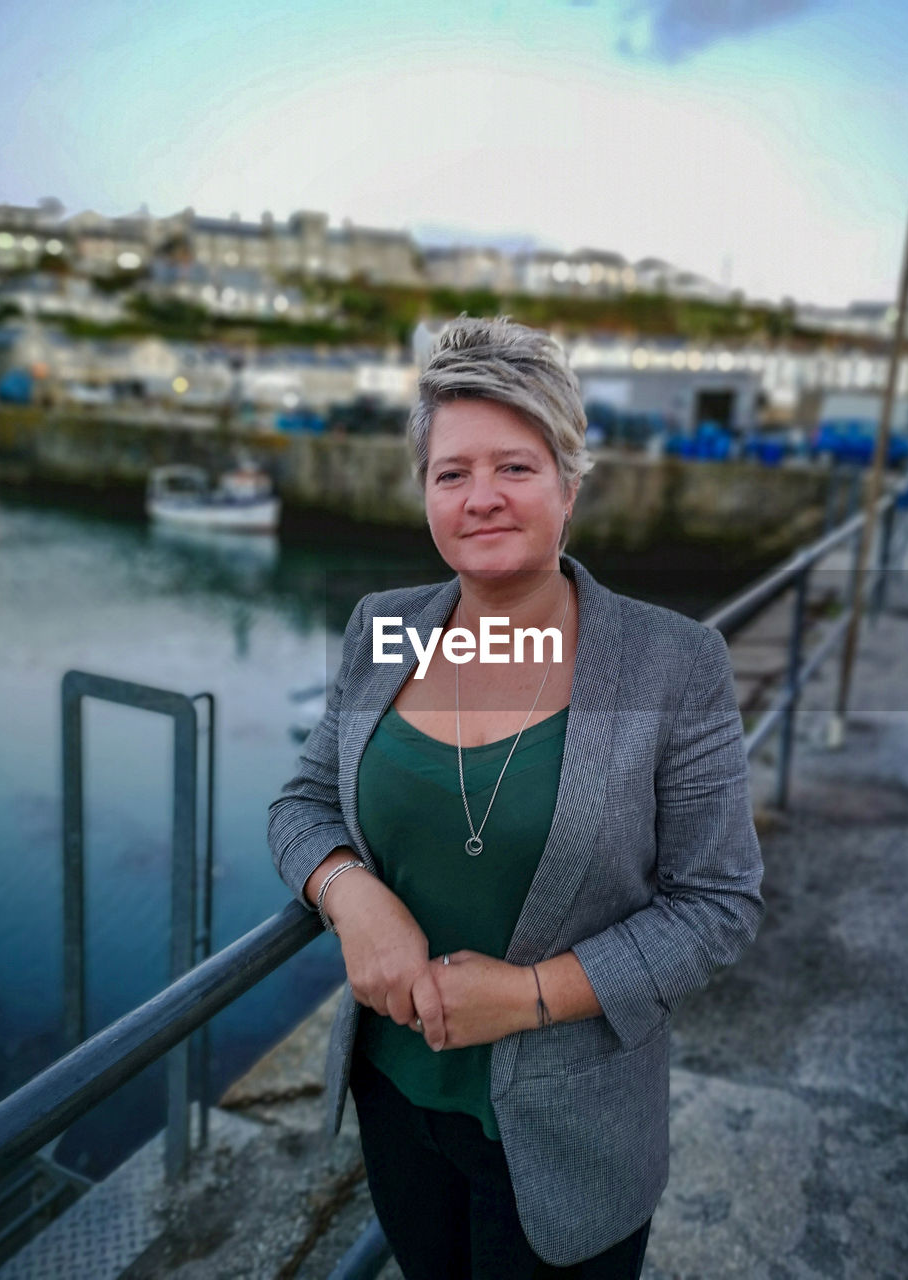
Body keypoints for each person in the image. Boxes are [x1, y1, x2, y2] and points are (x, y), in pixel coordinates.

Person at [268, 317, 764, 1278]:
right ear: (424, 494)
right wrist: (350, 894)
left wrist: (531, 996)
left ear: (570, 485)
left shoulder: (675, 662)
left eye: (516, 468)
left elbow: (718, 905)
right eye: (451, 473)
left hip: (574, 1131)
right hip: (397, 1091)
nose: (481, 498)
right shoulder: (383, 630)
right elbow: (299, 803)